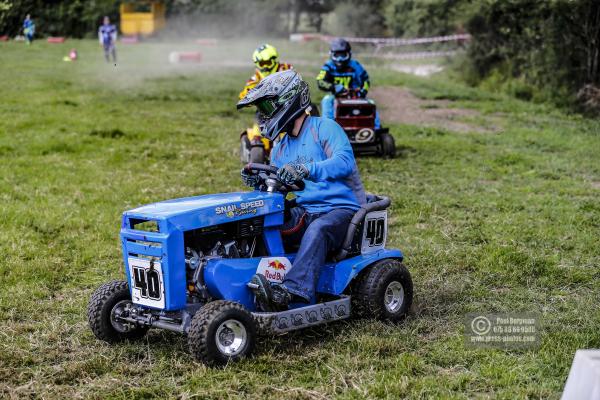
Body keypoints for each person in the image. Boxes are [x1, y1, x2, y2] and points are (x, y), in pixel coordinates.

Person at [237, 70, 366, 310]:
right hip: (305, 210)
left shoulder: (325, 128)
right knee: (263, 223)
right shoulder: (279, 147)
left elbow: (345, 162)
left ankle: (294, 291)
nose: (264, 115)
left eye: (267, 107)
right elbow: (277, 187)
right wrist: (259, 183)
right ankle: (255, 282)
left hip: (341, 212)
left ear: (288, 101)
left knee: (318, 229)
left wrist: (307, 169)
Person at [316, 38, 381, 128]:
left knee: (371, 103)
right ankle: (328, 128)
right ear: (331, 55)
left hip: (356, 95)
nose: (340, 59)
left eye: (343, 55)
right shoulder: (328, 66)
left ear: (349, 54)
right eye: (337, 55)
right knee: (326, 100)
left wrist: (363, 91)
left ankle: (375, 129)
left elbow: (366, 80)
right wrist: (333, 87)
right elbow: (320, 81)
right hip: (336, 96)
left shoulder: (355, 65)